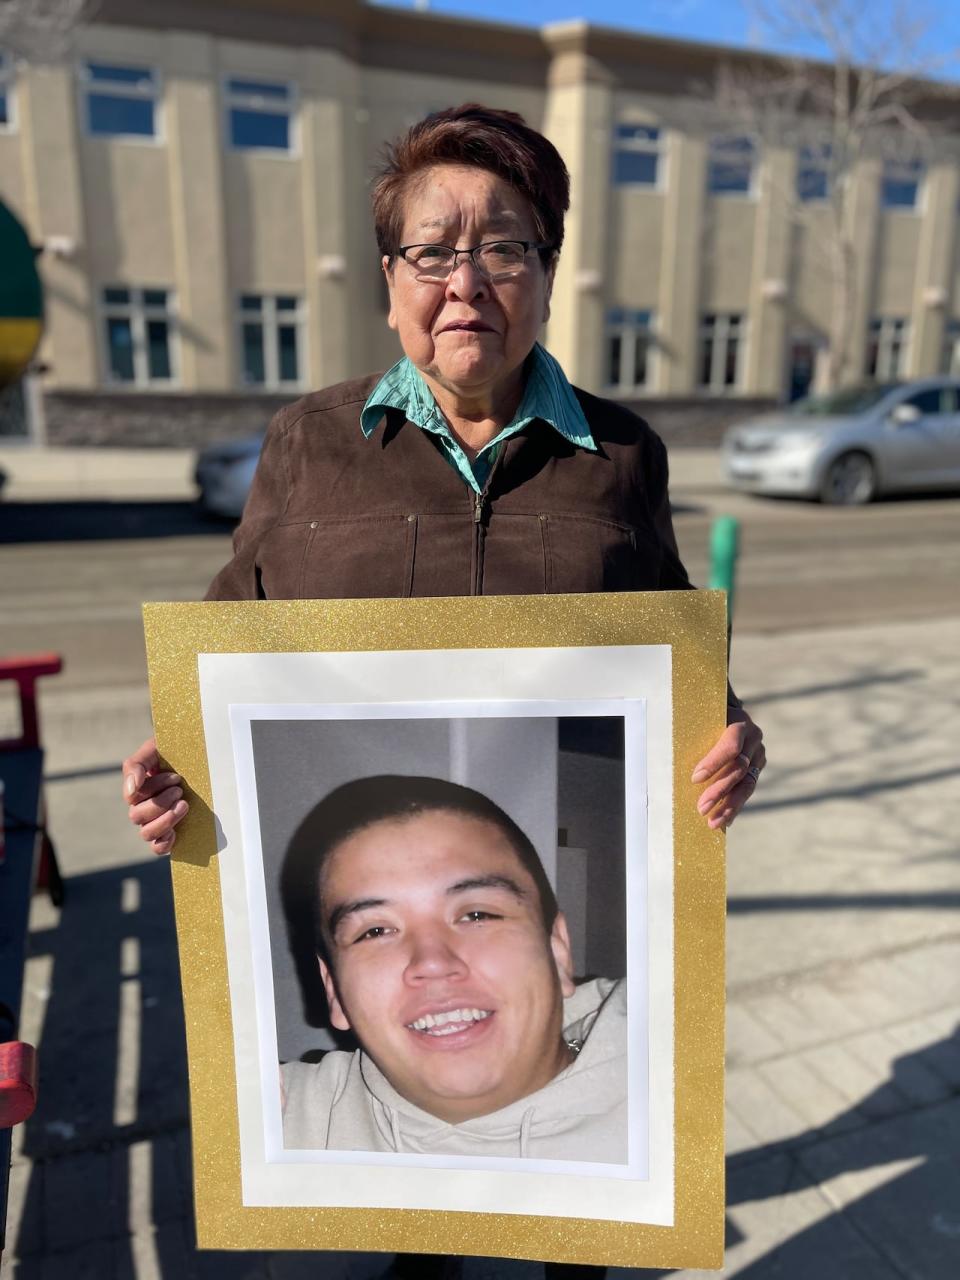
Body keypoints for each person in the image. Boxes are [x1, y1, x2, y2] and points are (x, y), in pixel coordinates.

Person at [121, 103, 767, 1277]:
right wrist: (176, 764)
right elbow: (228, 641)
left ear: (548, 272)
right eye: (433, 248)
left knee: (566, 1238)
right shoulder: (309, 440)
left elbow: (677, 649)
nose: (466, 277)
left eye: (505, 243)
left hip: (561, 904)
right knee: (377, 1239)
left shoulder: (621, 456)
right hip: (375, 947)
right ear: (389, 280)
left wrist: (729, 731)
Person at [278, 775, 627, 1162]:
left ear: (558, 950)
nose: (432, 962)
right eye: (375, 931)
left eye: (477, 914)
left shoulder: (685, 1065)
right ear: (333, 990)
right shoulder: (275, 1120)